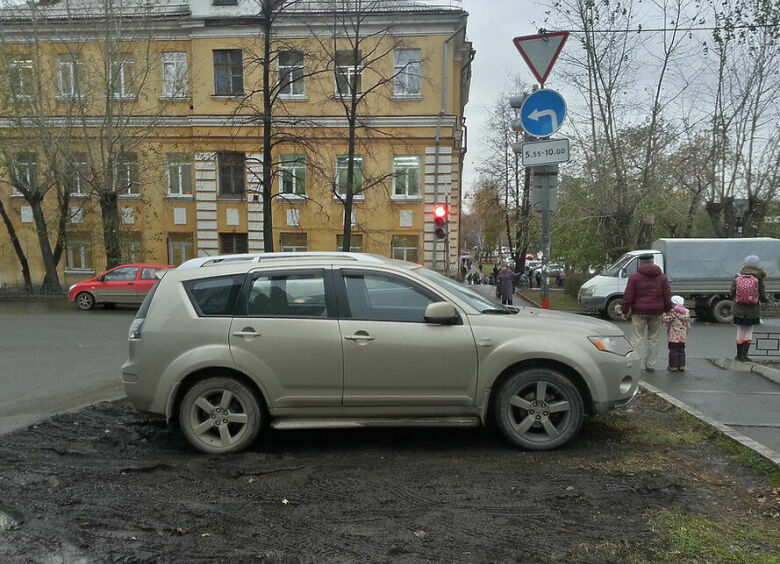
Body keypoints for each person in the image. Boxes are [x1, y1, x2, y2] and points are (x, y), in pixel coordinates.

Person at [621, 253, 673, 373]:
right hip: (656, 312)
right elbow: (667, 295)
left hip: (639, 312)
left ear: (641, 262)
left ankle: (636, 365)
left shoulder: (634, 277)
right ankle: (650, 365)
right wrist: (667, 309)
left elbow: (628, 296)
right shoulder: (662, 277)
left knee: (637, 339)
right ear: (652, 261)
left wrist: (624, 311)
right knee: (653, 339)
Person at [730, 255, 767, 362]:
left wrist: (738, 299)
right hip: (753, 309)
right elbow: (762, 294)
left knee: (740, 330)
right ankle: (745, 356)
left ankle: (738, 355)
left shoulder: (738, 276)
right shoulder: (759, 277)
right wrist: (762, 300)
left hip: (738, 308)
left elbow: (732, 292)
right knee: (749, 331)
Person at [663, 295, 691, 372]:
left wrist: (664, 314)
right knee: (681, 350)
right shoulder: (687, 312)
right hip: (683, 336)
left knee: (673, 350)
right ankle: (681, 366)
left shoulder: (672, 312)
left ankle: (673, 366)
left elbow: (665, 320)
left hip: (673, 336)